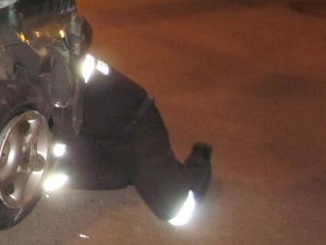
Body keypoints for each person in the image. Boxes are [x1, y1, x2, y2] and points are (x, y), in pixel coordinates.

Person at [61, 55, 212, 226]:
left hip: (132, 124)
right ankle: (131, 172)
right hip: (86, 131)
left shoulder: (54, 59)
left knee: (175, 209)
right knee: (57, 173)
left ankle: (199, 160)